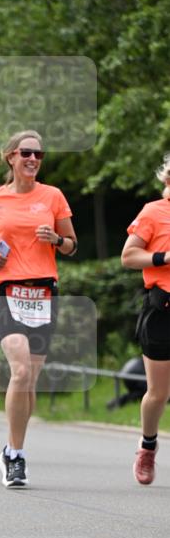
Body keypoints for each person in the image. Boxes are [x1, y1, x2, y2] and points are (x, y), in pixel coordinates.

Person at [0, 130, 77, 488]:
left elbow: (72, 245)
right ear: (10, 156)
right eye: (26, 153)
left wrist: (56, 240)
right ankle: (15, 456)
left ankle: (11, 446)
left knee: (30, 380)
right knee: (21, 368)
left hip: (42, 292)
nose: (33, 159)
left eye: (38, 154)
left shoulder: (53, 196)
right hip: (3, 291)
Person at [121, 152, 170, 485]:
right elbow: (128, 256)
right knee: (158, 393)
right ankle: (148, 446)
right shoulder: (153, 212)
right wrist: (164, 257)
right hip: (162, 309)